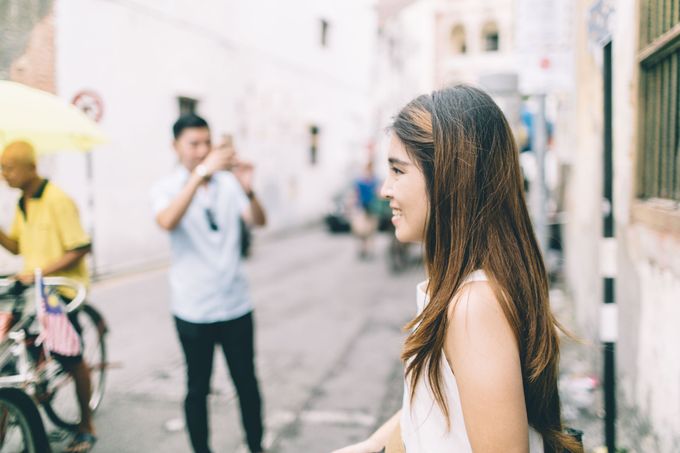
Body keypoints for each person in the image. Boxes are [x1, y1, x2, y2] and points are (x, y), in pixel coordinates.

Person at [332, 86, 582, 453]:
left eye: (398, 171)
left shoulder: (472, 308)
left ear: (448, 180)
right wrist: (373, 445)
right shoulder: (462, 288)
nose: (385, 189)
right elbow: (436, 405)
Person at [151, 114, 267, 453]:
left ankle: (256, 446)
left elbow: (259, 220)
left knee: (246, 382)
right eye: (194, 144)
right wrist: (200, 174)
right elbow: (168, 221)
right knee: (197, 386)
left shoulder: (227, 184)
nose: (202, 151)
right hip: (192, 308)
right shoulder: (165, 187)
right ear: (175, 147)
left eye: (207, 143)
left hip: (236, 303)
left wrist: (249, 188)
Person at [0, 140, 97, 453]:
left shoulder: (57, 200)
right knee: (8, 353)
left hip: (59, 289)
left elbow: (80, 247)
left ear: (31, 167)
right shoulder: (21, 203)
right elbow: (16, 246)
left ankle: (86, 424)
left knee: (70, 356)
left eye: (9, 167)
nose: (4, 175)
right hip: (31, 290)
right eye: (2, 168)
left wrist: (39, 271)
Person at [351, 161, 380, 259]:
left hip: (372, 208)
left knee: (371, 231)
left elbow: (377, 193)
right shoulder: (360, 181)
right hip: (362, 207)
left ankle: (369, 249)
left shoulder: (375, 181)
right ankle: (364, 249)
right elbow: (355, 194)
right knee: (362, 231)